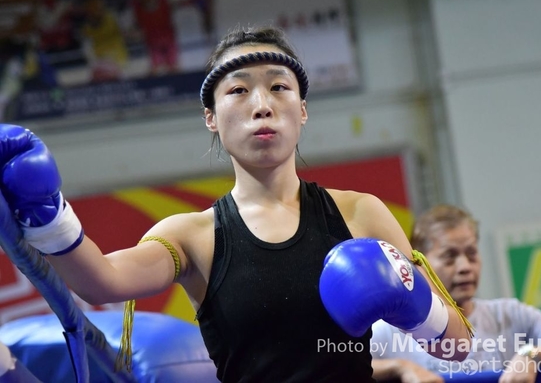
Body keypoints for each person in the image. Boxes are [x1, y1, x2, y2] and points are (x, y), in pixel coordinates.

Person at [0, 25, 473, 383]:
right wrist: (48, 214)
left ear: (303, 110)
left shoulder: (360, 213)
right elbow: (102, 281)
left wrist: (415, 307)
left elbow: (458, 348)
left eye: (279, 87)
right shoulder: (192, 236)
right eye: (239, 90)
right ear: (211, 117)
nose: (261, 104)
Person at [371, 204, 541, 383]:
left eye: (471, 254)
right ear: (421, 263)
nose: (465, 267)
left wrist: (533, 354)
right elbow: (352, 365)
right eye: (450, 256)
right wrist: (400, 367)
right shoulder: (393, 328)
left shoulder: (509, 314)